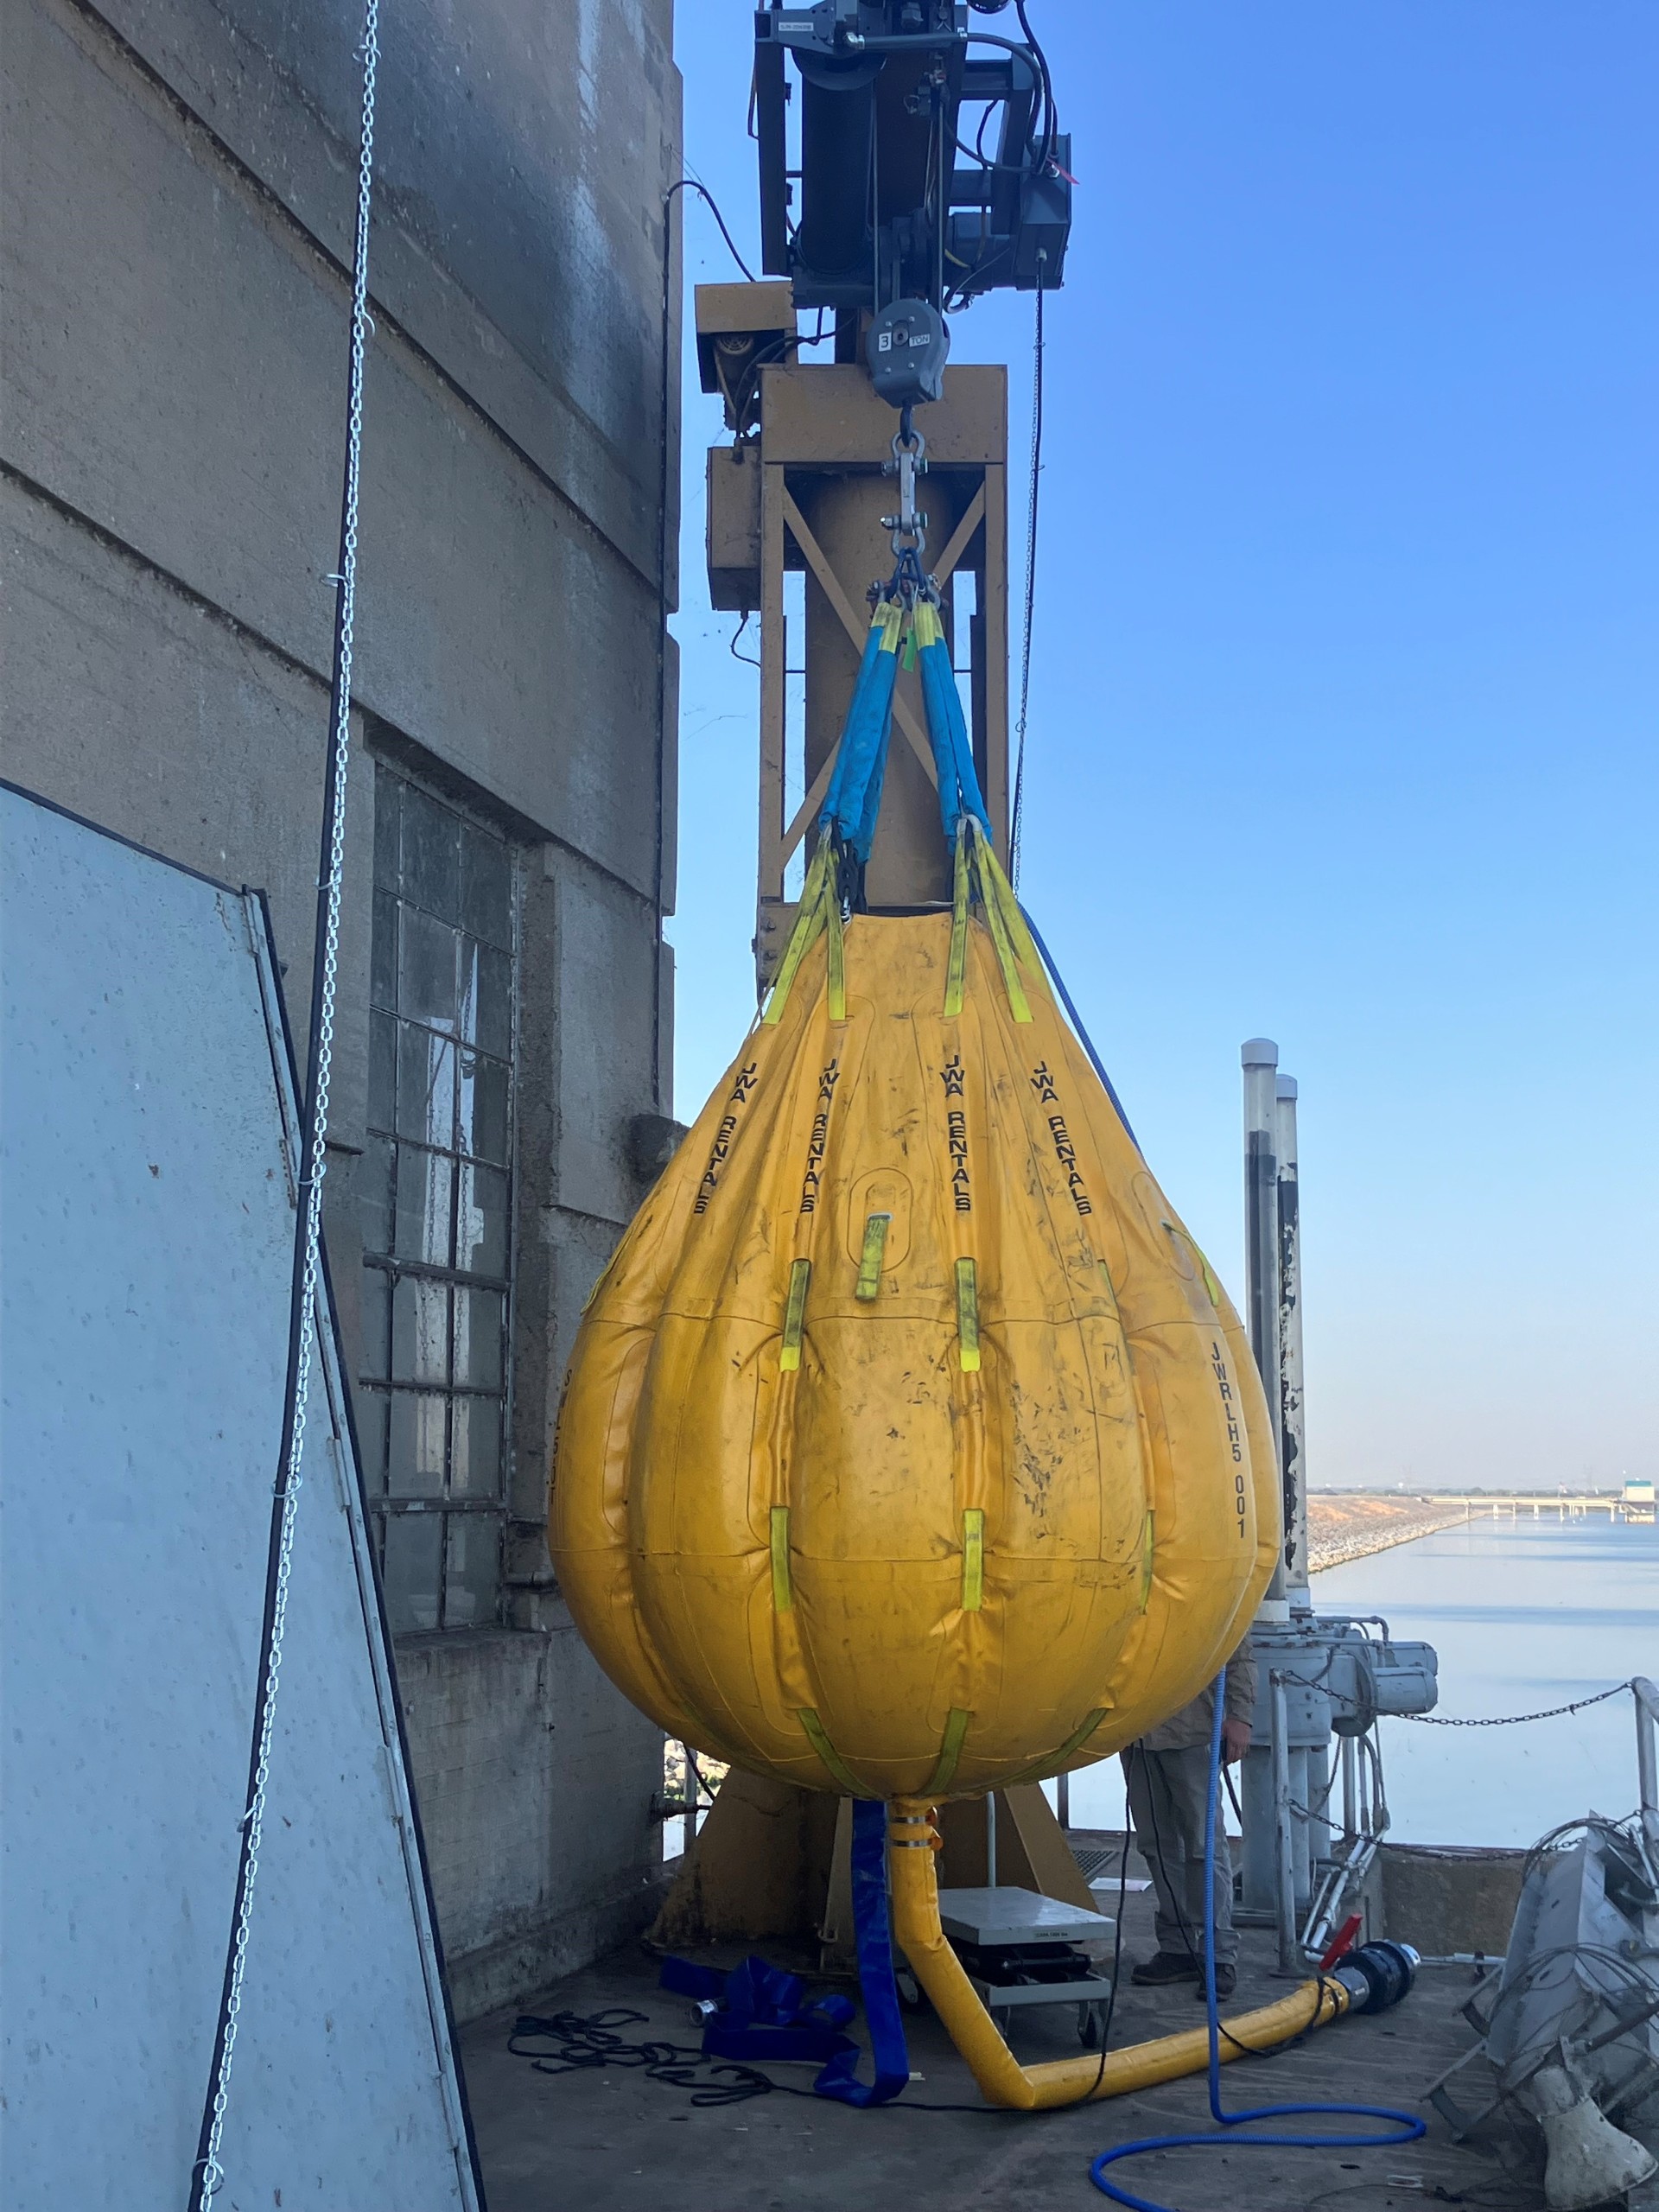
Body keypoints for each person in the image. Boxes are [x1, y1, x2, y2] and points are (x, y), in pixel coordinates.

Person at [1121, 1631, 1256, 1999]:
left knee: (1204, 1847)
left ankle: (1218, 1953)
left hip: (1192, 1729)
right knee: (1156, 1846)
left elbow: (1237, 1651)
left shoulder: (1204, 1575)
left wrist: (1240, 1715)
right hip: (1136, 1731)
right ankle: (1178, 1948)